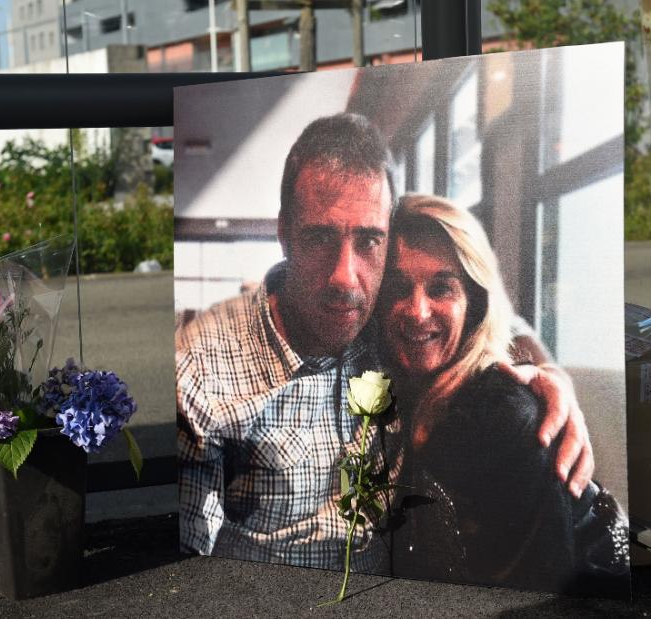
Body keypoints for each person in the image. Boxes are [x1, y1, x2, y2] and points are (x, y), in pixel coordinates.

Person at [176, 113, 596, 572]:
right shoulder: (202, 381)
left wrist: (547, 379)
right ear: (284, 234)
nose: (345, 277)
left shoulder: (383, 332)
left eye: (370, 241)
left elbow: (488, 318)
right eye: (319, 238)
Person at [380, 194, 629, 592]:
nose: (417, 311)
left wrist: (550, 377)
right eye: (397, 288)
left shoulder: (501, 415)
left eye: (442, 288)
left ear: (474, 303)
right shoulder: (396, 389)